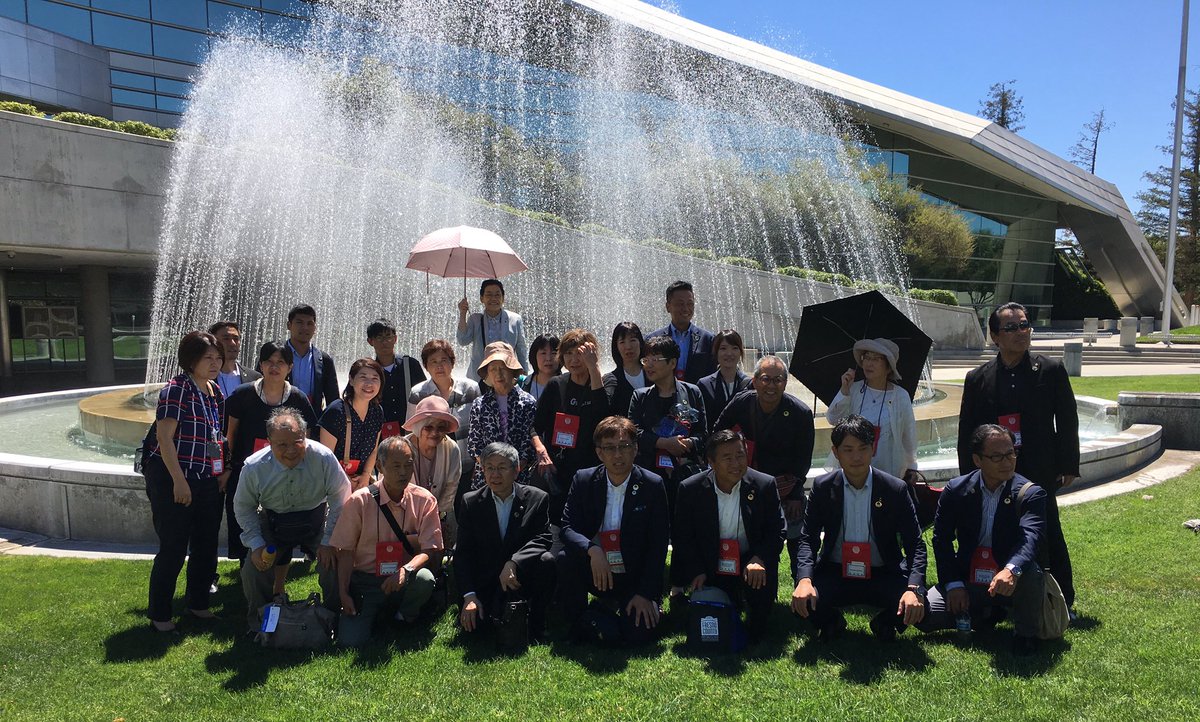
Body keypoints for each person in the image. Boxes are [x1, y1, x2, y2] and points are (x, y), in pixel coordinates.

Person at [957, 301, 1079, 612]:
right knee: (995, 528)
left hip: (1038, 465)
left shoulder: (1049, 370)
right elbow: (967, 430)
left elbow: (1067, 420)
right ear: (995, 336)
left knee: (1047, 530)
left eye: (1024, 325)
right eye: (1011, 327)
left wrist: (1068, 464)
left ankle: (1062, 601)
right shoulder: (977, 378)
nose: (1021, 332)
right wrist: (966, 475)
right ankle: (994, 597)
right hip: (994, 469)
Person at [790, 415, 926, 642]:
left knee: (922, 604)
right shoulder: (823, 488)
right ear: (836, 452)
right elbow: (808, 538)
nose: (856, 457)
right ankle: (832, 621)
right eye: (848, 450)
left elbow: (916, 544)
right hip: (836, 570)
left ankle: (884, 622)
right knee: (802, 600)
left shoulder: (894, 489)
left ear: (873, 449)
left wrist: (914, 588)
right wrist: (804, 579)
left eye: (863, 448)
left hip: (882, 571)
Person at [919, 424, 1049, 655]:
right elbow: (942, 540)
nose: (1007, 461)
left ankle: (1026, 634)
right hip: (969, 576)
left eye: (1011, 453)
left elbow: (1031, 537)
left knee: (1030, 574)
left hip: (1010, 578)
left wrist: (1011, 569)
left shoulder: (1030, 493)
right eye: (997, 456)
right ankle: (983, 613)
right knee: (924, 616)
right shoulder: (956, 490)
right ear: (978, 460)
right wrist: (954, 584)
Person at [233, 408, 349, 633]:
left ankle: (335, 616)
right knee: (253, 568)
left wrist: (329, 541)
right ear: (269, 442)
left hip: (316, 518)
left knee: (335, 561)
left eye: (297, 442)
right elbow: (243, 507)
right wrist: (256, 544)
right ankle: (261, 624)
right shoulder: (254, 466)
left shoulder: (324, 457)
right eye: (281, 445)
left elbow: (341, 499)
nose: (290, 451)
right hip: (274, 522)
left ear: (305, 436)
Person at [557, 416, 670, 644]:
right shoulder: (584, 479)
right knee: (565, 558)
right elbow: (567, 528)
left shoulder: (653, 485)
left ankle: (607, 614)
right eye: (609, 448)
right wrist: (593, 550)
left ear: (635, 449)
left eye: (624, 447)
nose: (617, 455)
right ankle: (577, 621)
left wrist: (645, 594)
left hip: (633, 575)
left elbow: (658, 546)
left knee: (637, 637)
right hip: (597, 568)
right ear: (599, 453)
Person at [142, 330, 226, 632]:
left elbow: (215, 437)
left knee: (206, 544)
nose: (215, 363)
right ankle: (160, 616)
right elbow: (165, 438)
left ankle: (198, 603)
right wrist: (179, 481)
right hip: (172, 476)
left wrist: (221, 471)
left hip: (205, 477)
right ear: (191, 361)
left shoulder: (215, 391)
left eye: (218, 357)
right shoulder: (177, 389)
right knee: (174, 547)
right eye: (208, 358)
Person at [329, 436, 443, 647]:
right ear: (380, 466)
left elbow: (431, 548)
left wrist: (407, 570)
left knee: (425, 579)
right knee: (350, 643)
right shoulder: (359, 501)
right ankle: (375, 615)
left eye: (408, 465)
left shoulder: (425, 500)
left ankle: (402, 617)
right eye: (396, 466)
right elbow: (345, 551)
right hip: (366, 581)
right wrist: (344, 592)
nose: (403, 472)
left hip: (402, 578)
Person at [672, 430, 786, 640]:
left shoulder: (764, 485)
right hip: (711, 563)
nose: (736, 463)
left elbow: (777, 530)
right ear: (711, 463)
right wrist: (697, 570)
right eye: (727, 458)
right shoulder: (690, 489)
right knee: (711, 618)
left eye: (740, 455)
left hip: (749, 562)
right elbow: (683, 536)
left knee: (758, 626)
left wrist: (759, 559)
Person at [713, 355, 814, 584]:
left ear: (785, 383)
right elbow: (717, 434)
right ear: (755, 381)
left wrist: (797, 493)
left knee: (797, 529)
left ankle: (803, 581)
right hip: (747, 482)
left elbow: (803, 460)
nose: (771, 386)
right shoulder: (742, 402)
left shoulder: (800, 413)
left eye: (778, 380)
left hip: (785, 486)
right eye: (766, 379)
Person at [223, 340, 318, 564]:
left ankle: (277, 561)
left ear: (290, 368)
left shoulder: (298, 398)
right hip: (246, 469)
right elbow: (231, 434)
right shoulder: (243, 394)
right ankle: (245, 560)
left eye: (280, 363)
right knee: (241, 514)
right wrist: (228, 465)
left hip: (284, 469)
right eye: (269, 362)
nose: (274, 367)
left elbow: (308, 437)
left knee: (278, 519)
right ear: (261, 365)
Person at [456, 442, 555, 642]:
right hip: (486, 580)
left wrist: (514, 562)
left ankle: (537, 622)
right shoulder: (470, 502)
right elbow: (463, 553)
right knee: (478, 633)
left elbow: (543, 537)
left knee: (547, 560)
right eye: (489, 468)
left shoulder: (537, 498)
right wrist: (469, 595)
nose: (495, 474)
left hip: (519, 578)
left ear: (516, 470)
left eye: (502, 467)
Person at [533, 328, 610, 522]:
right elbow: (534, 426)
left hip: (591, 468)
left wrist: (594, 369)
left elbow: (603, 417)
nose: (574, 360)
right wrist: (541, 451)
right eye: (568, 353)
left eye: (580, 354)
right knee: (558, 524)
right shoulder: (556, 385)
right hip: (559, 468)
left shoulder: (604, 382)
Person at [628, 335, 707, 504]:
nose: (648, 365)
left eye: (655, 359)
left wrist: (688, 443)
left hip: (686, 474)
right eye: (646, 359)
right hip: (649, 474)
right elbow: (633, 433)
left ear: (672, 363)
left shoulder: (693, 392)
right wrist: (664, 443)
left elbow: (703, 434)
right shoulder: (640, 397)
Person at [825, 338, 918, 481]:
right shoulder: (854, 389)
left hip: (887, 469)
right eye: (866, 357)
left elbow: (908, 433)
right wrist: (844, 391)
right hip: (853, 468)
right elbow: (833, 419)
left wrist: (912, 466)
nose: (869, 363)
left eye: (876, 359)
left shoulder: (900, 396)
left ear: (888, 366)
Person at [468, 341, 550, 490]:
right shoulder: (479, 404)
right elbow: (474, 445)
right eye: (493, 369)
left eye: (503, 368)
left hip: (519, 477)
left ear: (513, 371)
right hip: (486, 479)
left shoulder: (527, 402)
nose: (498, 374)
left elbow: (529, 442)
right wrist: (493, 471)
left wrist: (512, 472)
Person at [407, 338, 481, 487]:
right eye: (433, 361)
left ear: (452, 363)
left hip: (467, 465)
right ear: (426, 366)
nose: (439, 366)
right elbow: (413, 433)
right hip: (433, 470)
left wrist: (479, 465)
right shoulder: (418, 393)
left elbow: (480, 428)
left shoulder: (471, 389)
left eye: (443, 360)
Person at [402, 395, 462, 549]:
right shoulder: (400, 449)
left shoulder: (452, 449)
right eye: (428, 427)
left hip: (439, 515)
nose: (435, 433)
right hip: (402, 517)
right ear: (418, 427)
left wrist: (436, 519)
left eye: (441, 427)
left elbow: (451, 486)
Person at [457, 279, 529, 382]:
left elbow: (521, 348)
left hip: (506, 377)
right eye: (489, 295)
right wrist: (462, 314)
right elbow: (463, 340)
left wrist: (524, 375)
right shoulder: (475, 319)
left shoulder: (515, 319)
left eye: (497, 295)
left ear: (503, 298)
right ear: (482, 298)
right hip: (480, 377)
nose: (493, 298)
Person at [646, 280, 716, 385]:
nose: (686, 308)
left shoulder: (708, 339)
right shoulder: (652, 339)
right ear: (668, 307)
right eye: (680, 304)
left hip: (697, 398)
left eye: (690, 303)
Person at [366, 318, 426, 437]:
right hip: (378, 435)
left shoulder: (410, 365)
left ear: (395, 339)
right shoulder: (367, 370)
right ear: (370, 341)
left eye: (388, 336)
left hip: (410, 432)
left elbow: (425, 396)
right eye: (379, 337)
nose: (385, 341)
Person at [285, 304, 339, 414]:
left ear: (315, 328)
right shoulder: (274, 355)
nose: (305, 327)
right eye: (299, 322)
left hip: (313, 422)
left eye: (310, 323)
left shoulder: (324, 359)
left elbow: (333, 399)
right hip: (278, 422)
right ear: (289, 325)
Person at [697, 329, 751, 434]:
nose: (729, 353)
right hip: (714, 445)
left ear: (740, 352)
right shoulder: (704, 385)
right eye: (723, 348)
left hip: (741, 447)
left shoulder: (750, 385)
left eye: (735, 348)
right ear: (716, 352)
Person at [601, 321, 648, 418]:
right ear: (616, 347)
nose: (628, 347)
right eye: (622, 342)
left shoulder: (653, 374)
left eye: (633, 340)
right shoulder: (611, 379)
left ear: (640, 343)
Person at [208, 321, 260, 401]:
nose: (232, 343)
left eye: (236, 339)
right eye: (226, 338)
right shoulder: (202, 377)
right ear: (213, 342)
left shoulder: (255, 378)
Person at [520, 334, 560, 400]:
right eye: (543, 353)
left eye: (554, 353)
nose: (548, 358)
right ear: (534, 356)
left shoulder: (568, 386)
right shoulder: (523, 385)